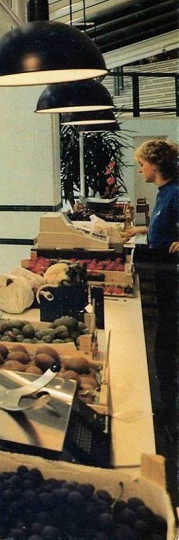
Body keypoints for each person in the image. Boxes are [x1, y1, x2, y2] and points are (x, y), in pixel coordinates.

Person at [122, 139, 178, 424]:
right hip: (162, 270)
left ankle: (168, 407)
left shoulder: (176, 192)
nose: (140, 168)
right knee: (164, 338)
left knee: (168, 339)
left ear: (155, 166)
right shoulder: (164, 192)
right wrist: (141, 228)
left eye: (142, 164)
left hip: (172, 275)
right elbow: (165, 226)